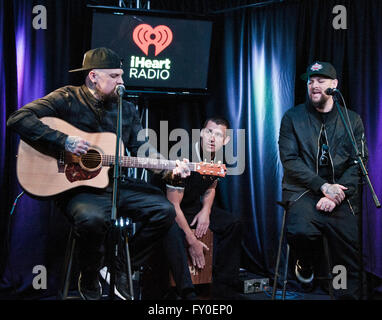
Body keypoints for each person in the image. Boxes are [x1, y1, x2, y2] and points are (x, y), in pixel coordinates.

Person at [6, 47, 196, 300]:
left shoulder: (126, 110)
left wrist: (171, 170)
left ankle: (118, 269)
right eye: (115, 76)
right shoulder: (68, 97)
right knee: (92, 218)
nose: (122, 81)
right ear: (93, 76)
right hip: (76, 188)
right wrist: (63, 140)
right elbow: (19, 118)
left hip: (114, 183)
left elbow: (144, 149)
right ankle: (90, 273)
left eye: (121, 75)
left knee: (164, 211)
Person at [278, 61, 367, 299]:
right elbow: (290, 160)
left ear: (334, 85)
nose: (314, 85)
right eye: (311, 81)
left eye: (321, 80)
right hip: (304, 190)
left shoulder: (352, 120)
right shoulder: (292, 117)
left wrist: (336, 195)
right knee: (300, 231)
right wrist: (323, 186)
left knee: (349, 248)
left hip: (340, 192)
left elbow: (358, 163)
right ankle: (304, 263)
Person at [146, 117, 243, 300]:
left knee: (233, 224)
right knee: (176, 233)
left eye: (218, 135)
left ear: (226, 140)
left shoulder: (218, 156)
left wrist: (206, 210)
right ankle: (183, 291)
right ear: (201, 133)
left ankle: (222, 288)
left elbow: (211, 187)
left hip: (191, 205)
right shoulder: (184, 157)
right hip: (166, 209)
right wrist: (192, 241)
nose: (212, 138)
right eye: (208, 132)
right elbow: (172, 205)